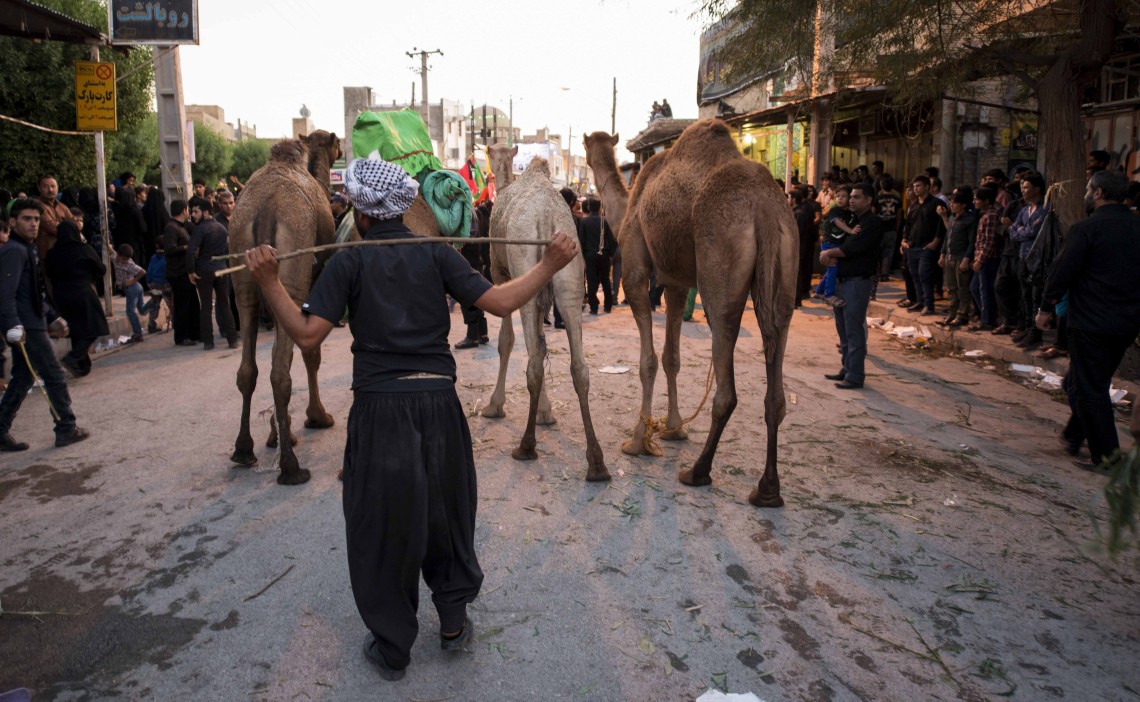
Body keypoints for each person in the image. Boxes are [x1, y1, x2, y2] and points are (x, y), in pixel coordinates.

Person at [242, 156, 580, 682]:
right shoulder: (436, 253)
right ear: (402, 208)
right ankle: (452, 625)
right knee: (446, 516)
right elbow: (498, 304)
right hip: (439, 406)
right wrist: (549, 265)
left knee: (383, 527)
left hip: (381, 414)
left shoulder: (349, 262)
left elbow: (306, 335)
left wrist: (268, 282)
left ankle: (393, 647)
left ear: (362, 214)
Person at [1039, 170, 1140, 468]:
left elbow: (1061, 271)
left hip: (1090, 322)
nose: (1085, 194)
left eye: (1087, 189)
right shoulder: (1136, 227)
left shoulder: (1087, 229)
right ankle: (1074, 434)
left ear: (1098, 193)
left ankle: (1107, 457)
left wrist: (1046, 307)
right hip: (1126, 324)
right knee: (1081, 382)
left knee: (1089, 389)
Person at [0, 199, 89, 451]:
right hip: (27, 328)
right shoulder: (14, 251)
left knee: (23, 377)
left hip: (32, 322)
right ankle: (66, 428)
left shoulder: (26, 249)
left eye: (37, 219)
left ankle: (0, 428)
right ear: (12, 222)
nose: (33, 224)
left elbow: (32, 293)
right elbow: (5, 294)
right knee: (55, 375)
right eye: (27, 219)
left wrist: (52, 317)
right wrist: (12, 325)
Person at [819, 183, 883, 389]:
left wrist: (828, 253)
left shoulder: (872, 223)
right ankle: (846, 368)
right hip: (842, 280)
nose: (852, 200)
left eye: (857, 197)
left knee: (854, 330)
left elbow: (852, 248)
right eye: (851, 196)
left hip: (857, 282)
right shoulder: (851, 220)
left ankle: (855, 375)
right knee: (843, 330)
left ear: (869, 200)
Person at [44, 221, 109, 376]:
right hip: (83, 292)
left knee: (75, 330)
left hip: (61, 295)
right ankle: (73, 357)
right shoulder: (84, 249)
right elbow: (101, 269)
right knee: (95, 327)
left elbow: (49, 274)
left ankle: (82, 366)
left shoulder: (52, 254)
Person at [186, 197, 239, 350]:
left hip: (204, 271)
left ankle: (208, 341)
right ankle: (232, 339)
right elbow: (227, 249)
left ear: (206, 213)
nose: (193, 215)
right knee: (224, 305)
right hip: (221, 269)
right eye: (192, 212)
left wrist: (191, 271)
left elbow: (190, 251)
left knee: (206, 307)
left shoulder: (200, 229)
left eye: (196, 212)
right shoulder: (221, 228)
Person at [1008, 171, 1050, 349]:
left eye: (1026, 187)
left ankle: (1035, 333)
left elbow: (1034, 232)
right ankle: (1027, 328)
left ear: (1037, 189)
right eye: (1022, 187)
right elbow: (1012, 231)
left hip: (1038, 260)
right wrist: (1021, 230)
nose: (1023, 191)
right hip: (1022, 257)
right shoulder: (1024, 210)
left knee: (1035, 298)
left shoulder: (1044, 209)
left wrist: (1020, 230)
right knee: (1025, 296)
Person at [900, 175, 945, 315]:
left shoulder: (936, 203)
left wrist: (935, 242)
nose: (915, 189)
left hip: (927, 246)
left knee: (924, 275)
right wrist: (904, 240)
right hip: (912, 246)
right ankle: (920, 301)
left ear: (927, 187)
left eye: (918, 186)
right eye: (914, 186)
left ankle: (929, 305)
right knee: (914, 275)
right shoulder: (914, 206)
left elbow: (941, 226)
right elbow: (908, 225)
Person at [937, 188, 977, 327]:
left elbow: (972, 242)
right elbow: (947, 238)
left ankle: (962, 315)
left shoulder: (970, 220)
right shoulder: (952, 219)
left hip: (961, 258)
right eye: (951, 202)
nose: (951, 205)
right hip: (949, 257)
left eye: (954, 202)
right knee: (951, 288)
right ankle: (952, 313)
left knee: (963, 288)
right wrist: (942, 254)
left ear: (963, 204)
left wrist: (966, 259)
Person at [163, 199, 201, 346]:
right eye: (188, 210)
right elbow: (170, 249)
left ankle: (194, 333)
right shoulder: (171, 227)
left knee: (192, 304)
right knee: (182, 305)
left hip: (185, 272)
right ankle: (181, 336)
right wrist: (187, 248)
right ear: (184, 210)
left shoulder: (181, 227)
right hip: (177, 273)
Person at [816, 185, 859, 306]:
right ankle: (829, 295)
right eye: (838, 196)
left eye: (844, 196)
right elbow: (837, 222)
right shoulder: (834, 210)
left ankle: (819, 291)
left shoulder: (850, 213)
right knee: (833, 267)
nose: (840, 199)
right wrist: (850, 230)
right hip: (829, 243)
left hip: (838, 244)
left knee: (832, 269)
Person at [968, 187, 1002, 331]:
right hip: (982, 258)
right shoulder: (985, 214)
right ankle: (986, 316)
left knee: (984, 290)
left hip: (988, 259)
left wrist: (980, 260)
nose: (974, 202)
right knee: (975, 287)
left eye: (977, 199)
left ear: (986, 201)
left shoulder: (991, 216)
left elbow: (990, 241)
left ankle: (988, 320)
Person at [579, 197, 617, 314]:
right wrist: (610, 254)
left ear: (589, 208)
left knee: (591, 281)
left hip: (590, 255)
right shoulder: (604, 221)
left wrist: (583, 255)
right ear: (600, 208)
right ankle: (608, 306)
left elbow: (581, 240)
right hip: (603, 254)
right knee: (605, 280)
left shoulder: (584, 222)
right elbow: (612, 240)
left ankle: (594, 307)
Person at [113, 244, 150, 343]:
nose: (125, 261)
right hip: (136, 288)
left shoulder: (129, 264)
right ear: (118, 255)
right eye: (124, 259)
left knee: (130, 311)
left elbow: (143, 272)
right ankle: (153, 303)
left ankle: (137, 334)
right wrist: (108, 246)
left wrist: (131, 281)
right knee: (141, 309)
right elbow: (112, 252)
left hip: (132, 288)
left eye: (127, 259)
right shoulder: (114, 258)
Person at [875, 175, 903, 281]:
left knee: (877, 251)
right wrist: (897, 228)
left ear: (881, 185)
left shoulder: (877, 198)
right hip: (891, 229)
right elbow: (899, 216)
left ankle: (877, 273)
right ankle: (885, 274)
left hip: (878, 229)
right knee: (888, 252)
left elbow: (873, 214)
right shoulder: (897, 199)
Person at [145, 244, 173, 333]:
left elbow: (149, 270)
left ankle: (151, 325)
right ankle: (175, 322)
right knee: (171, 304)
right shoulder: (168, 257)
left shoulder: (153, 257)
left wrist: (148, 282)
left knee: (155, 305)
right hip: (166, 284)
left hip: (155, 284)